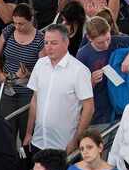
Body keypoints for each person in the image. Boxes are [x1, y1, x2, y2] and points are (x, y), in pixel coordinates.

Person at [77, 16, 129, 126]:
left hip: (125, 102)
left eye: (108, 39)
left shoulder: (117, 41)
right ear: (89, 38)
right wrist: (91, 81)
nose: (106, 45)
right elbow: (78, 90)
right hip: (102, 112)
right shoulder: (83, 55)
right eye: (100, 43)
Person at [25, 24, 94, 154]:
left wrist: (75, 141)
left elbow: (89, 108)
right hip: (38, 141)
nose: (49, 47)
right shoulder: (40, 64)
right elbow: (34, 100)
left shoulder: (79, 71)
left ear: (66, 42)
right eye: (46, 43)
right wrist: (29, 133)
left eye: (54, 43)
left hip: (63, 146)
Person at [0, 4, 45, 141]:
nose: (17, 27)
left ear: (31, 20)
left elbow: (44, 73)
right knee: (5, 132)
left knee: (25, 132)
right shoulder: (9, 30)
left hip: (27, 93)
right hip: (7, 89)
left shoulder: (40, 40)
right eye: (15, 23)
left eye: (21, 23)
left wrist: (28, 75)